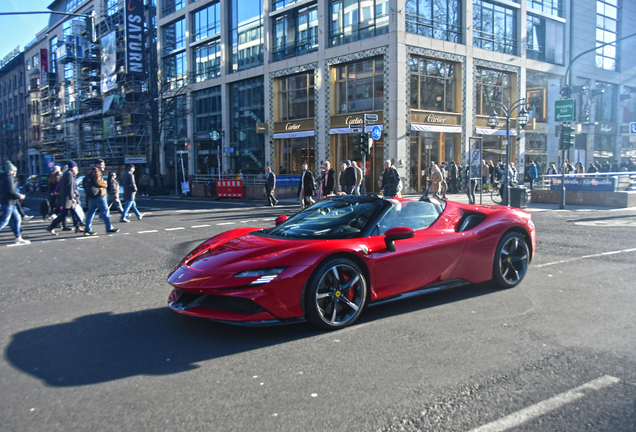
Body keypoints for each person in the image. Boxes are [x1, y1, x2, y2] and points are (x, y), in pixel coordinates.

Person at [46, 161, 83, 235]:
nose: (77, 170)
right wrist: (72, 197)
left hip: (67, 198)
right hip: (68, 199)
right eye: (76, 168)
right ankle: (51, 226)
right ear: (73, 168)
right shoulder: (69, 174)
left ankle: (77, 227)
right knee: (64, 214)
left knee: (73, 212)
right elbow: (69, 187)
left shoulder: (67, 173)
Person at [84, 158, 119, 236]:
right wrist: (105, 183)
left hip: (91, 196)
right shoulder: (97, 172)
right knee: (105, 211)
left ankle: (87, 229)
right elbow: (98, 183)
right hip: (99, 195)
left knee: (90, 212)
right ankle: (109, 228)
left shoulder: (91, 172)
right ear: (97, 165)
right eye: (102, 164)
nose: (104, 166)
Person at [0, 161, 30, 245]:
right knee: (4, 221)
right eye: (15, 171)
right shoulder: (9, 177)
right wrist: (19, 196)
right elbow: (10, 190)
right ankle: (18, 237)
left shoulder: (3, 177)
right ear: (12, 171)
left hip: (9, 202)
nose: (16, 173)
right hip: (8, 202)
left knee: (17, 218)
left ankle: (18, 237)